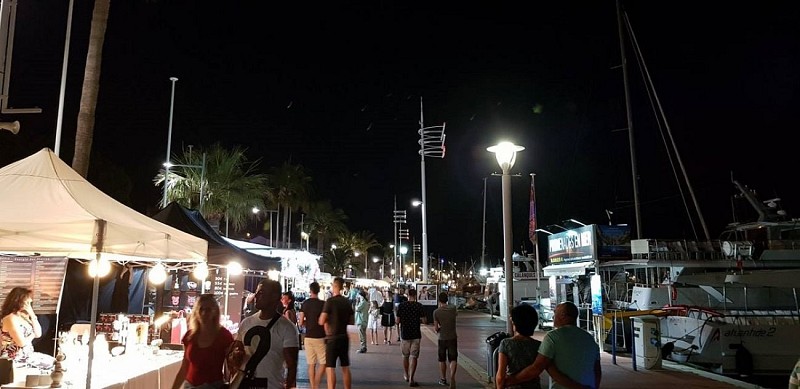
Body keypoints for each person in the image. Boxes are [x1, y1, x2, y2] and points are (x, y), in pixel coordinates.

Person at [504, 302, 601, 389]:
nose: (553, 317)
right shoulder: (590, 339)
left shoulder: (553, 337)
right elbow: (597, 371)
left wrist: (510, 380)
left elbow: (537, 368)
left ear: (563, 315)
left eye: (555, 313)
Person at [228, 279, 299, 389]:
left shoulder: (287, 328)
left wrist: (289, 385)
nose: (256, 296)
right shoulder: (246, 323)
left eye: (261, 293)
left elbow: (292, 366)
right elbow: (235, 354)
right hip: (244, 383)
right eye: (256, 292)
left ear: (274, 297)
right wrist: (235, 355)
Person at [172, 294, 234, 389]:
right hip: (189, 386)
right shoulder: (189, 336)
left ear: (215, 312)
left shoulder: (224, 336)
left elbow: (232, 367)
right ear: (196, 312)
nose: (204, 313)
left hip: (213, 386)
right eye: (201, 309)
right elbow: (185, 367)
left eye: (208, 309)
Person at [319, 277, 354, 389]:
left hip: (332, 338)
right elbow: (351, 321)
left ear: (335, 286)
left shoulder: (330, 302)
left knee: (330, 368)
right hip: (344, 337)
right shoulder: (347, 302)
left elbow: (321, 320)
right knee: (345, 367)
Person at [0, 287, 42, 363]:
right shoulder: (10, 318)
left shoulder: (23, 316)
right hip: (13, 358)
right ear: (19, 301)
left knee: (54, 363)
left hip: (27, 355)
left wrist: (32, 315)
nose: (29, 305)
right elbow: (21, 343)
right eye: (27, 303)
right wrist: (32, 335)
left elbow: (38, 334)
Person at [299, 282, 327, 389]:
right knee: (324, 363)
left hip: (308, 336)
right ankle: (316, 384)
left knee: (311, 364)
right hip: (320, 336)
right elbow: (324, 321)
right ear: (319, 291)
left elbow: (301, 322)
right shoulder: (323, 304)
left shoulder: (305, 304)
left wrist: (308, 322)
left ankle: (313, 386)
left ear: (310, 291)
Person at [396, 288, 426, 387]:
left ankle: (406, 374)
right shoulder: (419, 306)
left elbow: (397, 321)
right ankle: (412, 378)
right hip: (416, 334)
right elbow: (424, 320)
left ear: (407, 295)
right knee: (414, 357)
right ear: (415, 295)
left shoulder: (402, 305)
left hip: (405, 334)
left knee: (405, 356)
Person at [433, 292, 457, 389]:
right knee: (453, 359)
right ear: (447, 299)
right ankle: (452, 377)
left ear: (439, 300)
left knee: (442, 359)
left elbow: (435, 328)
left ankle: (443, 379)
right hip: (452, 337)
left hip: (442, 338)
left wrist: (439, 329)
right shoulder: (453, 309)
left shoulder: (436, 312)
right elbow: (455, 316)